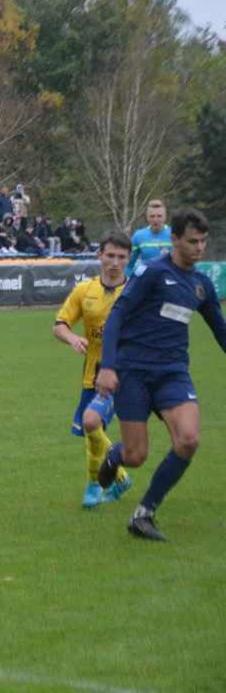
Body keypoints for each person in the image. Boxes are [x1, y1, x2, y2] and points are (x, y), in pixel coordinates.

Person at [94, 209, 226, 541]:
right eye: (192, 241)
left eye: (203, 242)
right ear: (175, 239)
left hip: (173, 374)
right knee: (136, 457)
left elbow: (220, 331)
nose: (199, 248)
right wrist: (108, 366)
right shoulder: (152, 273)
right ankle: (115, 455)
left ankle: (144, 514)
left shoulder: (202, 285)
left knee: (189, 440)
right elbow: (117, 316)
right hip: (134, 371)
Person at [53, 230, 133, 508]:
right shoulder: (84, 291)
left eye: (121, 257)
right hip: (95, 375)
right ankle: (118, 477)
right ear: (99, 255)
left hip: (128, 375)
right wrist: (73, 337)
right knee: (91, 427)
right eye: (110, 255)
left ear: (128, 259)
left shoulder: (137, 292)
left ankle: (96, 483)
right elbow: (59, 324)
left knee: (91, 424)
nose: (115, 262)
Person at [126, 200, 172, 276]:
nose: (155, 220)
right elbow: (129, 264)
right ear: (147, 217)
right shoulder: (138, 235)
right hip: (147, 281)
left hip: (169, 281)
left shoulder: (174, 234)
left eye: (159, 216)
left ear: (165, 217)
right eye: (152, 216)